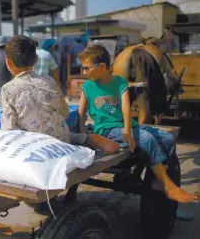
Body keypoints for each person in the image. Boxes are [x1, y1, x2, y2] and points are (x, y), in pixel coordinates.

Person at [76, 43, 197, 203]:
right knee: (147, 139)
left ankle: (157, 180)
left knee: (167, 139)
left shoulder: (119, 82)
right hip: (106, 129)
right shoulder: (87, 87)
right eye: (83, 68)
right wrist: (84, 137)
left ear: (102, 66)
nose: (84, 72)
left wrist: (127, 131)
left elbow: (126, 107)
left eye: (87, 68)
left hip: (126, 126)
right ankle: (168, 185)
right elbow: (80, 114)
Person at [0, 35, 120, 153]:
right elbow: (65, 113)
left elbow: (9, 131)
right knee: (71, 135)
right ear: (36, 60)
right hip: (61, 142)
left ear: (8, 63)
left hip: (35, 149)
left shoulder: (7, 89)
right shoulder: (50, 81)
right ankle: (91, 139)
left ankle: (89, 139)